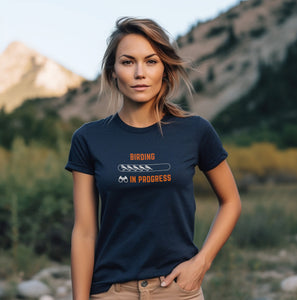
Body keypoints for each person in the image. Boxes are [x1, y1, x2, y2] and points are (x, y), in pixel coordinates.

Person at [65, 17, 241, 300]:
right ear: (112, 72)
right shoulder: (88, 139)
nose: (139, 73)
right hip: (111, 291)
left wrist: (202, 262)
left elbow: (231, 201)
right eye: (127, 62)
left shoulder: (195, 131)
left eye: (150, 61)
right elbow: (85, 231)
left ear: (165, 69)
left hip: (176, 289)